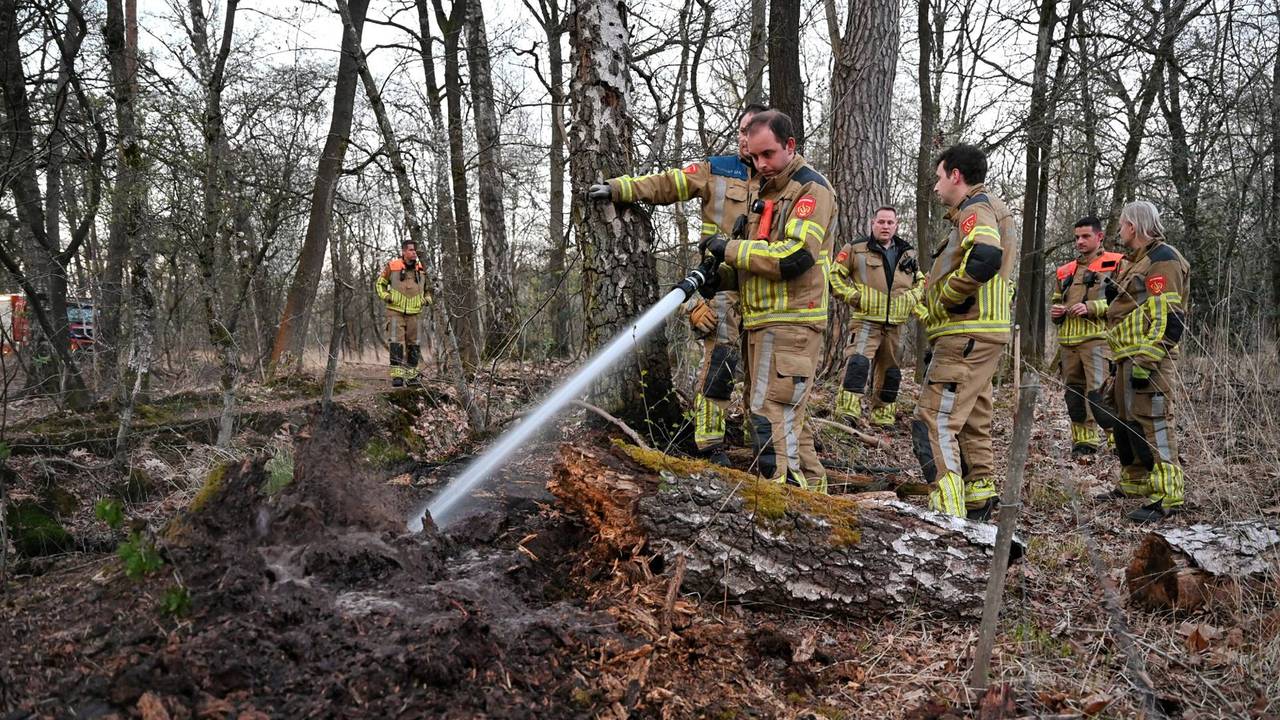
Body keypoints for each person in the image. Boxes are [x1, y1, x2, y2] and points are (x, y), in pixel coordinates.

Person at [588, 104, 768, 465]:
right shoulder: (715, 170)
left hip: (767, 292)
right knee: (719, 367)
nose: (746, 138)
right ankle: (710, 445)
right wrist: (620, 188)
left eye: (754, 130)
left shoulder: (780, 178)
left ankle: (761, 442)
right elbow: (669, 183)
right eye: (742, 130)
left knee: (764, 369)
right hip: (721, 289)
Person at [700, 110, 836, 493]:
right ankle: (819, 504)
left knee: (768, 417)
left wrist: (731, 249)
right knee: (789, 419)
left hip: (790, 324)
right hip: (764, 323)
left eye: (769, 155)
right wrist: (720, 274)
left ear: (790, 146)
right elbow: (758, 258)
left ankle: (784, 506)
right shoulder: (769, 192)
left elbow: (794, 257)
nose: (761, 164)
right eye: (755, 157)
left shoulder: (810, 190)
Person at [912, 144, 1017, 520]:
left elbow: (986, 256)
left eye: (939, 178)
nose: (936, 187)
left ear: (956, 175)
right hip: (982, 335)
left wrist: (949, 298)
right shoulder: (987, 208)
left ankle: (948, 518)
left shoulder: (975, 208)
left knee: (932, 422)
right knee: (972, 418)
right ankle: (978, 499)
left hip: (967, 333)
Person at [1102, 201, 1190, 523]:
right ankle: (1136, 482)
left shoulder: (1163, 260)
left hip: (1150, 360)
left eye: (1122, 224)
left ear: (1134, 227)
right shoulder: (1132, 263)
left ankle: (1168, 494)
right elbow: (1126, 310)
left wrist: (1147, 360)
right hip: (1126, 357)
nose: (1119, 230)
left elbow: (1170, 319)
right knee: (1126, 422)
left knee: (1155, 421)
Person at [829, 206, 924, 427]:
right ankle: (847, 413)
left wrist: (913, 298)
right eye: (881, 222)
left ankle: (883, 416)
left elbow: (920, 281)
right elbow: (834, 276)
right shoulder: (856, 248)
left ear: (896, 225)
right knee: (858, 364)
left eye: (890, 223)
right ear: (873, 223)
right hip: (866, 320)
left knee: (891, 372)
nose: (885, 226)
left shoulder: (907, 252)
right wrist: (854, 297)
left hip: (896, 324)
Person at [1051, 216, 1124, 457]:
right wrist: (1056, 311)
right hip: (1068, 343)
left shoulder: (1117, 264)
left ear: (1099, 236)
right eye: (1076, 237)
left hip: (1098, 341)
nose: (1080, 242)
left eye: (1085, 236)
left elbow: (1124, 302)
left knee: (1100, 395)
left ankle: (1119, 442)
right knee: (1074, 396)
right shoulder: (1065, 271)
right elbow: (1055, 300)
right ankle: (1084, 443)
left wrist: (1091, 308)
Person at [375, 239, 431, 387]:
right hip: (395, 310)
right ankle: (397, 377)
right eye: (411, 250)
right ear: (404, 251)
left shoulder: (423, 268)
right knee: (396, 342)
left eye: (415, 251)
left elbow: (430, 288)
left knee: (414, 344)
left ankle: (412, 377)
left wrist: (427, 299)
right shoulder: (392, 266)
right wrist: (386, 296)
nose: (414, 253)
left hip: (415, 312)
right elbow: (380, 283)